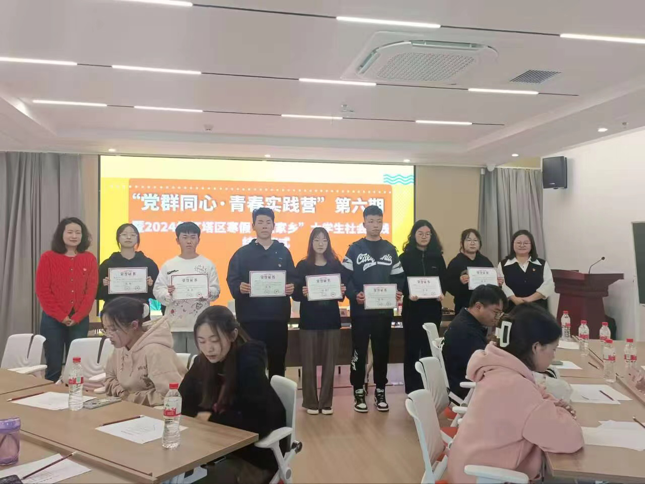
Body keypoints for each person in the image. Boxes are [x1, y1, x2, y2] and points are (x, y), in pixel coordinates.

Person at [446, 304, 583, 484]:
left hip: (471, 470)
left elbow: (538, 397)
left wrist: (553, 406)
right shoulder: (514, 386)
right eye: (553, 349)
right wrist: (563, 412)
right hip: (485, 478)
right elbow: (569, 439)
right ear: (536, 347)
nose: (553, 356)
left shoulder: (501, 370)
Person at [179, 306, 286, 484]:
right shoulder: (203, 362)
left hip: (252, 458)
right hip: (215, 449)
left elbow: (259, 424)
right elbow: (182, 401)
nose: (208, 348)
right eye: (202, 341)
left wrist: (211, 418)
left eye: (214, 340)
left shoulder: (248, 364)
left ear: (233, 335)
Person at [342, 205, 405, 413]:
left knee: (381, 351)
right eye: (371, 221)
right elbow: (345, 278)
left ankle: (380, 390)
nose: (375, 225)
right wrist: (355, 295)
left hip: (383, 312)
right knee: (359, 351)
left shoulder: (390, 249)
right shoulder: (354, 249)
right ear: (364, 223)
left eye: (378, 221)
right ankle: (358, 390)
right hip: (361, 311)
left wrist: (397, 291)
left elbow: (399, 277)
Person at [226, 207, 296, 378]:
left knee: (277, 362)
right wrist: (239, 287)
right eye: (260, 222)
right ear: (253, 226)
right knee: (251, 363)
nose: (264, 226)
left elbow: (293, 277)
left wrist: (291, 286)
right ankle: (253, 395)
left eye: (268, 222)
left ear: (273, 226)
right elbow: (232, 278)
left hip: (277, 318)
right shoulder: (242, 253)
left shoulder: (283, 252)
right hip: (251, 319)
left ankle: (277, 394)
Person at [292, 227, 347, 415]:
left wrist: (341, 290)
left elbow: (341, 292)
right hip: (309, 321)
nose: (320, 243)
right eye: (317, 240)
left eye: (324, 240)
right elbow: (295, 293)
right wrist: (302, 292)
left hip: (331, 320)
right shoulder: (303, 265)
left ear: (328, 242)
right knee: (308, 363)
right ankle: (310, 402)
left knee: (329, 363)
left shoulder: (335, 265)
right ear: (311, 243)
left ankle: (326, 402)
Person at [36, 217, 98, 382]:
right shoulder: (48, 257)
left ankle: (74, 395)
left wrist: (78, 316)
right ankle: (51, 395)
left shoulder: (89, 258)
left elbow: (90, 291)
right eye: (70, 232)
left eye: (78, 232)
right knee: (53, 365)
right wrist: (61, 316)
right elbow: (43, 290)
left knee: (76, 365)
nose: (74, 236)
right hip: (52, 319)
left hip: (79, 319)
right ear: (61, 234)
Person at [101, 297, 187, 406]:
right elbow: (110, 377)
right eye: (106, 329)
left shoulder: (155, 351)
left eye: (113, 329)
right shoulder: (121, 346)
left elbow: (170, 394)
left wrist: (131, 397)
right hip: (128, 406)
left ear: (134, 325)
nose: (109, 335)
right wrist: (122, 393)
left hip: (155, 411)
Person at [153, 222, 220, 353]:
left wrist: (206, 291)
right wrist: (167, 293)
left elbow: (216, 290)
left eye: (193, 237)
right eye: (185, 237)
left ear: (198, 240)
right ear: (177, 240)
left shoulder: (207, 264)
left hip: (200, 323)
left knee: (198, 360)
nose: (189, 241)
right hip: (174, 324)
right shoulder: (169, 265)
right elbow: (158, 289)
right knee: (176, 361)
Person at [398, 220, 446, 394]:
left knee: (429, 347)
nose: (424, 237)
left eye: (427, 234)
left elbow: (443, 279)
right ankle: (412, 388)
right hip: (412, 308)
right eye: (420, 233)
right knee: (412, 347)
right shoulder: (404, 257)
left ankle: (429, 386)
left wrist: (441, 292)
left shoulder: (437, 257)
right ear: (413, 235)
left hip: (432, 308)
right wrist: (408, 292)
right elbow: (400, 281)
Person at [442, 285, 506, 399]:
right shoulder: (466, 331)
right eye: (496, 312)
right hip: (465, 389)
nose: (497, 317)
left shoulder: (465, 321)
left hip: (460, 381)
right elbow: (485, 366)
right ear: (478, 306)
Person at [97, 223, 159, 307]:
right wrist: (105, 286)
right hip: (113, 309)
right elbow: (96, 294)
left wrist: (151, 286)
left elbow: (159, 293)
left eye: (133, 235)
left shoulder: (148, 264)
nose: (129, 237)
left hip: (140, 309)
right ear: (118, 238)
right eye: (124, 234)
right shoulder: (107, 264)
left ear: (137, 238)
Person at [445, 228, 502, 314]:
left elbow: (492, 287)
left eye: (475, 240)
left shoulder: (485, 261)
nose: (472, 243)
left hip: (485, 306)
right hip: (464, 306)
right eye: (468, 240)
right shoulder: (455, 262)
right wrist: (460, 282)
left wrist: (497, 283)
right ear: (461, 243)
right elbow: (448, 285)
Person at [498, 230, 554, 310]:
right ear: (513, 244)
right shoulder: (503, 265)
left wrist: (529, 299)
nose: (522, 245)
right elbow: (502, 285)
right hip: (512, 309)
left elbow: (549, 285)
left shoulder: (542, 264)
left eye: (526, 243)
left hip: (538, 309)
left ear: (532, 245)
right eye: (518, 243)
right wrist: (514, 299)